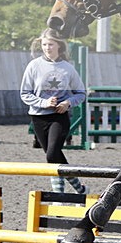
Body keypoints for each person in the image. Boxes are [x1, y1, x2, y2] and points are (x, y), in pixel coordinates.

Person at [20, 29, 88, 195]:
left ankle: (59, 195)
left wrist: (68, 103)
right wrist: (44, 103)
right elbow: (25, 94)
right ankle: (80, 189)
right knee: (54, 156)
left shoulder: (68, 68)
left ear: (59, 46)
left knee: (52, 155)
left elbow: (81, 93)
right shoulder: (33, 66)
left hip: (59, 117)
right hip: (38, 118)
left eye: (50, 44)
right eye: (44, 45)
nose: (47, 48)